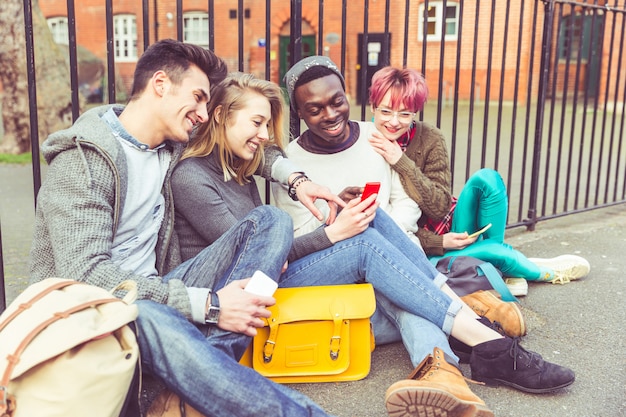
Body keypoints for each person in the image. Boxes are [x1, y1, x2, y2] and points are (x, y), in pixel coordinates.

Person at [174, 70, 574, 417]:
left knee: (374, 220)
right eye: (257, 123)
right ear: (222, 117)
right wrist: (334, 233)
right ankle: (485, 340)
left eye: (267, 125)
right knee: (365, 245)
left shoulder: (239, 162)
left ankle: (457, 354)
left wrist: (319, 197)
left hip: (271, 280)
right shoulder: (193, 178)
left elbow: (273, 161)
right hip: (242, 297)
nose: (265, 137)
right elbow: (259, 261)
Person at [28, 39, 349, 417]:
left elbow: (246, 138)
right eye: (197, 98)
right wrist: (211, 306)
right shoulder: (83, 162)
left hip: (161, 288)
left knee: (271, 221)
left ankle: (188, 389)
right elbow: (86, 276)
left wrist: (296, 181)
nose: (202, 112)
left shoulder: (169, 143)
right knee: (145, 310)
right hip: (103, 310)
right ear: (160, 84)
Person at [366, 66, 591, 294]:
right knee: (496, 252)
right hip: (426, 245)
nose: (394, 122)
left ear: (415, 112)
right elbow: (382, 229)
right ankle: (539, 272)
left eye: (405, 114)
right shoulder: (361, 145)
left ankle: (497, 267)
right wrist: (439, 243)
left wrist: (400, 161)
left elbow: (439, 206)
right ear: (373, 107)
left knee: (488, 179)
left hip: (450, 224)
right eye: (386, 112)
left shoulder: (429, 137)